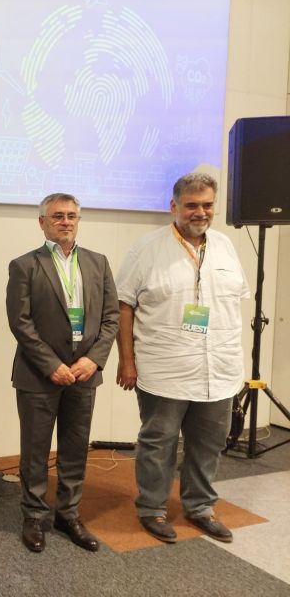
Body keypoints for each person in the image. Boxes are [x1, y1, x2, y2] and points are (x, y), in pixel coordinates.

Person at [116, 172, 249, 544]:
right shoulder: (147, 248)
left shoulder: (225, 246)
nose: (200, 212)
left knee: (208, 444)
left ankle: (200, 507)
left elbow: (234, 303)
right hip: (164, 369)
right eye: (191, 205)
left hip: (219, 370)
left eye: (207, 205)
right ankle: (152, 508)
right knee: (158, 443)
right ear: (173, 206)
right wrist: (127, 361)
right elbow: (123, 305)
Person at [5, 193, 119, 553]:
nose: (65, 222)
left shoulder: (98, 263)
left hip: (84, 374)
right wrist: (51, 364)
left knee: (75, 448)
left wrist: (94, 360)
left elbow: (111, 318)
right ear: (42, 222)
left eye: (71, 216)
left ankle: (68, 514)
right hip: (39, 375)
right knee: (35, 451)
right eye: (57, 216)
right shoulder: (24, 266)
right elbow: (20, 322)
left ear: (78, 221)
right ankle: (34, 516)